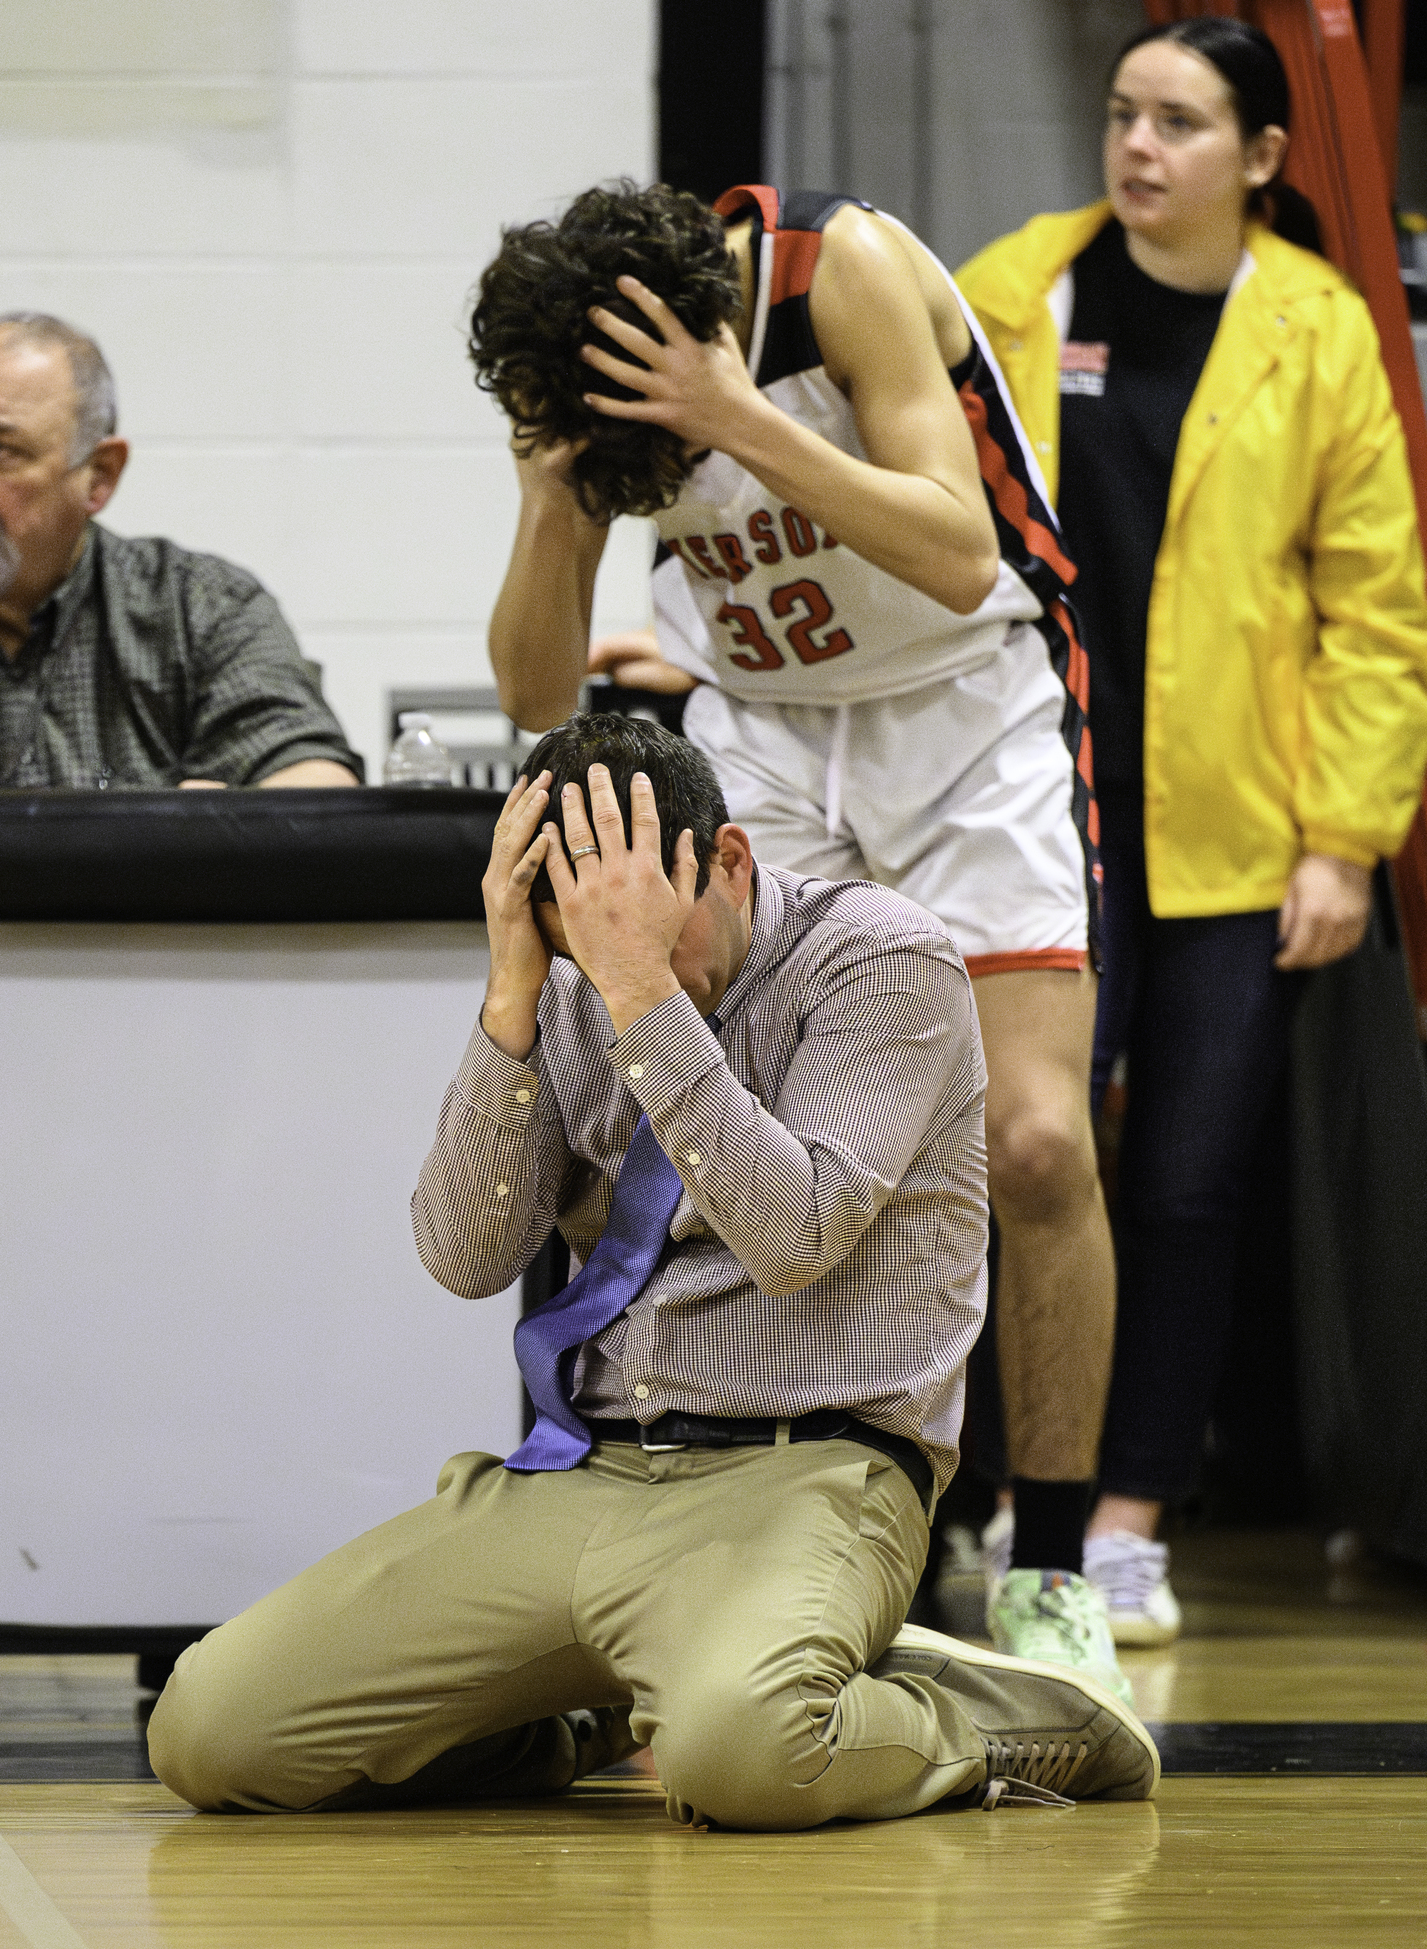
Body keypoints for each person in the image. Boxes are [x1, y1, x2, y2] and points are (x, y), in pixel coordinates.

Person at [146, 713, 1158, 1827]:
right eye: (577, 937)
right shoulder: (566, 977)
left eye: (640, 928)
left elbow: (796, 1237)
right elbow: (462, 1258)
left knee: (744, 1764)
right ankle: (618, 1699)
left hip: (807, 1473)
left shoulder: (881, 959)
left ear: (726, 862)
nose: (603, 961)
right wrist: (510, 1005)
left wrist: (644, 1000)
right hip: (582, 1469)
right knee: (212, 1735)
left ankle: (994, 1713)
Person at [472, 181, 1129, 1695]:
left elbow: (963, 551)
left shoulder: (845, 271)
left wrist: (732, 410)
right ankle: (782, 1512)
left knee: (1033, 1142)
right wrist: (546, 486)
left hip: (971, 713)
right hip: (771, 736)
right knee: (743, 1142)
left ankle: (1053, 1560)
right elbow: (531, 686)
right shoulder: (595, 376)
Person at [956, 17, 1427, 1642]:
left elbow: (1376, 609)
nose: (1138, 148)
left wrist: (1345, 839)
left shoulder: (1320, 330)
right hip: (1038, 809)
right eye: (1123, 115)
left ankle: (1135, 1510)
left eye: (1179, 122)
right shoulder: (1018, 288)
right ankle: (1034, 1493)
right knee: (1037, 1157)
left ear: (1266, 159)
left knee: (1191, 1181)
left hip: (1237, 830)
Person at [0, 313, 362, 790]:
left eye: (0, 449)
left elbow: (312, 779)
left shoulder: (197, 610)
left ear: (99, 476)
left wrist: (208, 829)